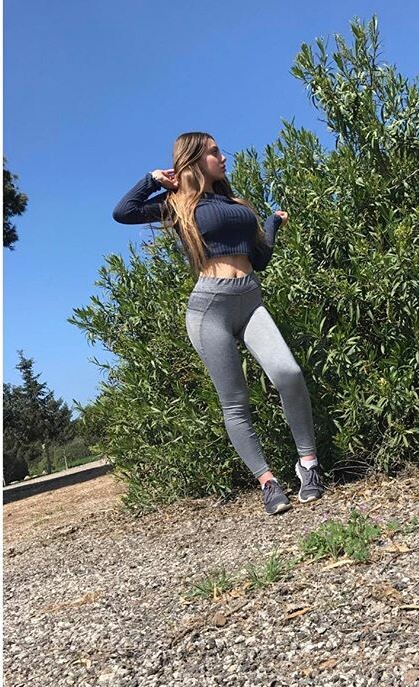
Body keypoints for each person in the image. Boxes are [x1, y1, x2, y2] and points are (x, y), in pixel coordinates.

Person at [112, 131, 325, 514]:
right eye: (214, 152)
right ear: (194, 159)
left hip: (250, 299)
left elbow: (259, 259)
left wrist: (272, 224)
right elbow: (124, 212)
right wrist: (153, 180)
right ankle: (267, 482)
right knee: (235, 402)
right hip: (209, 308)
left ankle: (308, 465)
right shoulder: (177, 204)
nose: (223, 157)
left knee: (289, 373)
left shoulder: (235, 203)